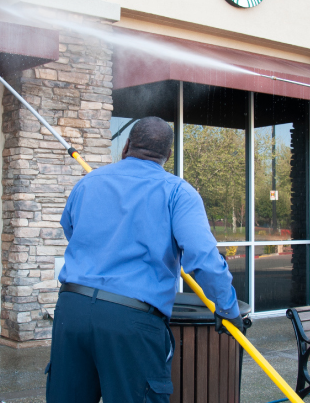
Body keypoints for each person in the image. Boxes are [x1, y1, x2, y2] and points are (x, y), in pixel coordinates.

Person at [46, 116, 243, 403]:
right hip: (131, 322)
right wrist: (228, 308)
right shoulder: (178, 192)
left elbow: (71, 229)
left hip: (71, 311)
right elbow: (203, 258)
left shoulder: (88, 183)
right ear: (168, 155)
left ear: (126, 145)